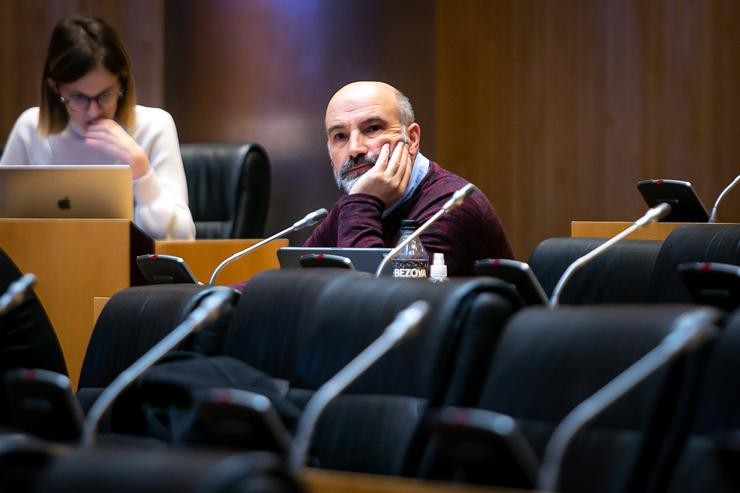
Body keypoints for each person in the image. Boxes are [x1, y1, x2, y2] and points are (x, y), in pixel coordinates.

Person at [0, 14, 195, 240]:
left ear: (121, 83)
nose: (93, 111)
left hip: (129, 271)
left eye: (105, 95)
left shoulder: (154, 126)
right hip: (45, 267)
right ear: (56, 88)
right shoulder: (30, 128)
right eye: (79, 97)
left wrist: (141, 170)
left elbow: (184, 238)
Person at [304, 81, 514, 275]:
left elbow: (376, 306)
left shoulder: (451, 205)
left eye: (373, 129)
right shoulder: (360, 199)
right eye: (340, 136)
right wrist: (361, 202)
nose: (354, 149)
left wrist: (361, 203)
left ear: (411, 139)